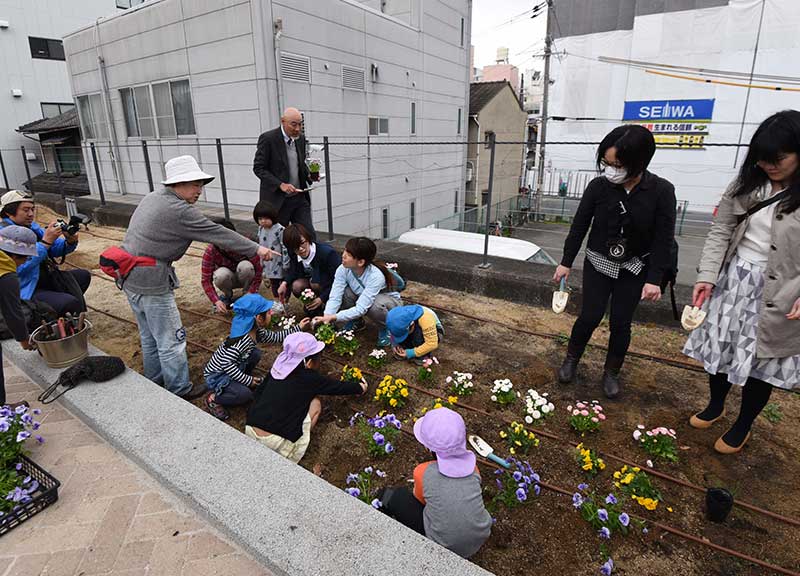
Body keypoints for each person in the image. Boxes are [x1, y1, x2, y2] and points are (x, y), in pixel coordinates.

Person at [683, 110, 800, 454]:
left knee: (760, 362)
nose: (769, 166)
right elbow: (721, 230)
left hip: (782, 292)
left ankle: (743, 424)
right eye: (762, 159)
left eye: (778, 159)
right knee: (720, 348)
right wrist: (707, 276)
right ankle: (716, 405)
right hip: (734, 279)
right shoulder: (746, 184)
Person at [121, 155, 277, 399]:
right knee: (171, 339)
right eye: (196, 184)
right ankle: (179, 389)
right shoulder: (179, 210)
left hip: (129, 275)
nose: (199, 191)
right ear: (178, 183)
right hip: (152, 280)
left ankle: (154, 381)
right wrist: (257, 249)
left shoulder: (153, 198)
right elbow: (217, 232)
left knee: (150, 335)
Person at [553, 125, 676, 399]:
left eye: (618, 164)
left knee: (621, 322)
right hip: (599, 262)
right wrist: (566, 261)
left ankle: (611, 372)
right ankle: (571, 359)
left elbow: (663, 238)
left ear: (639, 162)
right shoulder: (599, 187)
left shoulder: (662, 191)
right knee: (590, 315)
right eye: (606, 163)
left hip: (634, 266)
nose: (611, 170)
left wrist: (654, 278)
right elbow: (580, 225)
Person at [378, 407, 491, 559]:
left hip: (445, 546)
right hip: (480, 535)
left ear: (427, 446)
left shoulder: (422, 471)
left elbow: (421, 502)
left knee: (392, 496)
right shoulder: (474, 469)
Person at [245, 332, 367, 463]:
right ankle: (289, 454)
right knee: (315, 404)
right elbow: (336, 386)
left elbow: (258, 394)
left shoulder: (278, 369)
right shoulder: (309, 378)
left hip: (250, 428)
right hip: (274, 441)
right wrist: (360, 387)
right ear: (308, 362)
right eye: (318, 358)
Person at [203, 294, 309, 421]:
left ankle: (240, 380)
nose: (271, 314)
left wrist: (298, 328)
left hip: (233, 366)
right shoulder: (241, 341)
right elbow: (226, 364)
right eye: (268, 312)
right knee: (245, 395)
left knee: (255, 353)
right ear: (259, 317)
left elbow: (276, 337)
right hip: (217, 376)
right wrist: (248, 380)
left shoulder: (256, 332)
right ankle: (214, 398)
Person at [0, 190, 90, 315]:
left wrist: (69, 241)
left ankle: (55, 312)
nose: (31, 214)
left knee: (83, 276)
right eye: (26, 210)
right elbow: (17, 268)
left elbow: (54, 249)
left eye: (32, 209)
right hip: (26, 287)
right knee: (70, 302)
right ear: (9, 212)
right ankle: (39, 316)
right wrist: (45, 243)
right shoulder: (3, 235)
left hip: (44, 277)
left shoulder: (32, 226)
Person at [315, 237, 402, 347]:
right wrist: (327, 316)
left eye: (349, 254)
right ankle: (356, 321)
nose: (343, 255)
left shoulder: (375, 276)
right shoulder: (343, 269)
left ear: (360, 262)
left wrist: (335, 317)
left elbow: (362, 308)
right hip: (364, 297)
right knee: (345, 293)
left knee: (373, 305)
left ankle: (386, 328)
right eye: (345, 250)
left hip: (389, 302)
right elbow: (335, 296)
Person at [253, 107, 315, 235]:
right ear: (283, 121)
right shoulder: (268, 138)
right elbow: (258, 168)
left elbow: (299, 166)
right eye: (294, 124)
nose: (297, 128)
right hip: (277, 201)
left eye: (300, 124)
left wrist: (310, 176)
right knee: (279, 239)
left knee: (308, 235)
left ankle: (308, 255)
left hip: (299, 197)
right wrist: (280, 185)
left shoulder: (301, 139)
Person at [0, 226, 38, 409]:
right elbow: (12, 313)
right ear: (15, 256)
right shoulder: (6, 273)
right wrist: (24, 340)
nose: (24, 263)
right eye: (25, 258)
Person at [200, 219, 263, 314]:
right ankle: (227, 296)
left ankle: (248, 294)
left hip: (245, 275)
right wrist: (216, 301)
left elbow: (259, 269)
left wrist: (252, 290)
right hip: (228, 278)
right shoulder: (211, 251)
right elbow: (206, 280)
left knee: (246, 266)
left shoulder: (245, 243)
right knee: (220, 275)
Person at [279, 223, 340, 317]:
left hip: (327, 286)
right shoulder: (294, 253)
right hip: (310, 283)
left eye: (303, 243)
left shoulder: (326, 253)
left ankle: (326, 305)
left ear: (308, 238)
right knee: (296, 286)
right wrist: (284, 283)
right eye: (295, 247)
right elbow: (293, 270)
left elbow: (338, 280)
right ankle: (313, 307)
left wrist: (322, 298)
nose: (300, 249)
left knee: (315, 282)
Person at [253, 201, 291, 298]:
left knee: (283, 283)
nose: (263, 221)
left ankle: (285, 301)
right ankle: (277, 300)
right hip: (268, 262)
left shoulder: (279, 229)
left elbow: (285, 246)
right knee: (273, 283)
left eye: (266, 218)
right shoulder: (261, 229)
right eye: (260, 219)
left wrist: (286, 262)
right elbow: (260, 245)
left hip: (280, 262)